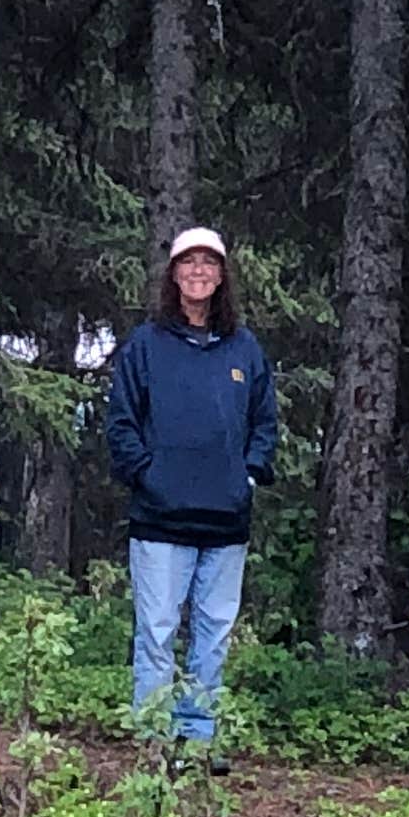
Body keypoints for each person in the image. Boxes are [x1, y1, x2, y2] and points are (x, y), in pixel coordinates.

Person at [105, 224, 276, 748]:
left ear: (222, 276)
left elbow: (264, 422)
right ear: (173, 274)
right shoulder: (146, 346)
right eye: (189, 263)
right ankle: (153, 740)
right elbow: (120, 422)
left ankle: (198, 739)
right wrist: (147, 476)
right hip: (160, 519)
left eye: (209, 263)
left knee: (213, 638)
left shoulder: (244, 349)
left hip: (226, 521)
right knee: (156, 633)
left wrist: (246, 476)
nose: (198, 272)